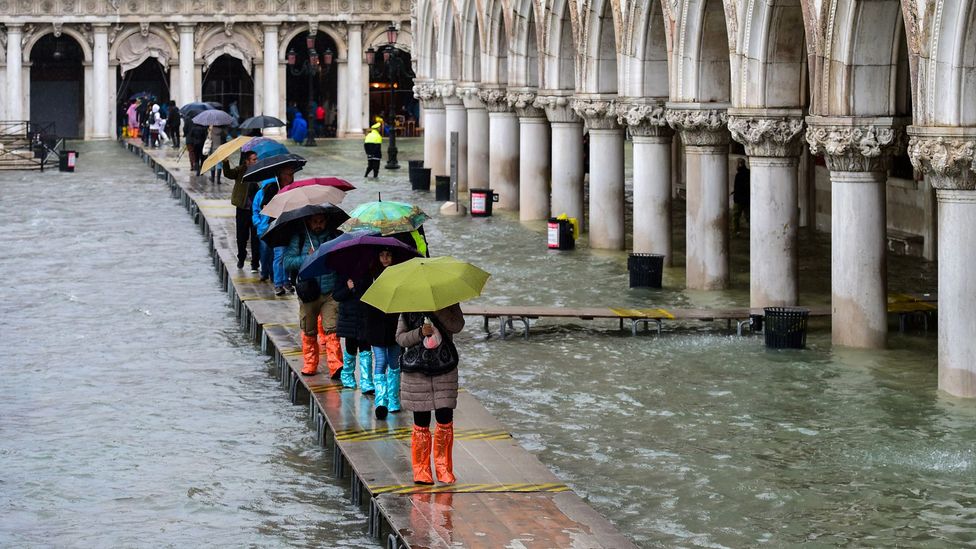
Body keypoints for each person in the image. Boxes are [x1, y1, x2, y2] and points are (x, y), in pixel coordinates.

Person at [396, 303, 465, 485]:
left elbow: (457, 325)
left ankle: (444, 468)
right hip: (416, 372)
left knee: (445, 418)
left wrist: (438, 310)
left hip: (445, 368)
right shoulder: (407, 307)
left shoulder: (449, 301)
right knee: (421, 421)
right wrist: (420, 332)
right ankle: (421, 469)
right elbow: (401, 339)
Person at [283, 213, 343, 377]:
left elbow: (342, 260)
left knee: (332, 329)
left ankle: (336, 366)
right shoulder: (300, 238)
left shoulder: (334, 236)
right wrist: (306, 257)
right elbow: (287, 261)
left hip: (329, 292)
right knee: (309, 331)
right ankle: (310, 364)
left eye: (321, 221)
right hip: (308, 293)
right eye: (315, 221)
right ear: (308, 221)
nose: (318, 224)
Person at [364, 249, 403, 419]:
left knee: (394, 363)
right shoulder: (371, 274)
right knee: (381, 361)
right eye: (382, 255)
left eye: (388, 255)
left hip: (394, 325)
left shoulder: (401, 274)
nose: (385, 258)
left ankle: (393, 399)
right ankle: (381, 401)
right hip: (376, 325)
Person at [252, 165, 296, 295]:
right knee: (277, 254)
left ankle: (285, 281)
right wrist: (259, 224)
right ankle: (277, 282)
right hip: (273, 227)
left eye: (292, 174)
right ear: (282, 175)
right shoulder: (271, 189)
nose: (292, 177)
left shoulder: (292, 189)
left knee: (285, 255)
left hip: (288, 226)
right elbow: (262, 207)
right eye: (289, 174)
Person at [331, 272, 373, 394]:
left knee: (366, 349)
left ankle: (367, 381)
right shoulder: (342, 274)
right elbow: (336, 295)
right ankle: (347, 376)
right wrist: (348, 288)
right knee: (351, 348)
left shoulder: (367, 272)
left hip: (364, 316)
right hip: (349, 319)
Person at [223, 150, 260, 271]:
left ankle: (255, 263)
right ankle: (241, 258)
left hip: (256, 211)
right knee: (241, 237)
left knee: (255, 238)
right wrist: (226, 162)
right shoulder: (240, 171)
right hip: (242, 209)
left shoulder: (260, 172)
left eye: (256, 159)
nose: (256, 161)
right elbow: (228, 173)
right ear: (247, 161)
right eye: (254, 159)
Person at [731, 158, 751, 235]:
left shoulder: (739, 174)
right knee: (748, 216)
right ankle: (752, 232)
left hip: (740, 199)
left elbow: (740, 187)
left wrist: (736, 193)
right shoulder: (748, 172)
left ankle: (736, 232)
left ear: (740, 164)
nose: (736, 165)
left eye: (737, 163)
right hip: (747, 198)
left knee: (736, 216)